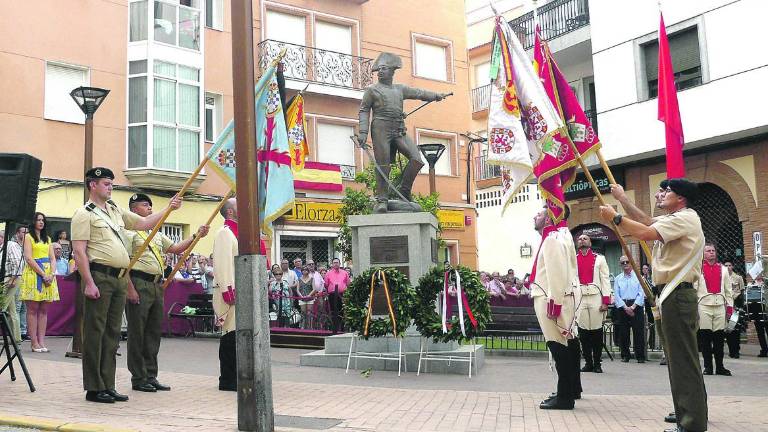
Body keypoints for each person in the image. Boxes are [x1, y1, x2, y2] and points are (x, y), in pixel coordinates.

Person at [604, 178, 707, 432]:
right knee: (676, 359)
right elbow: (648, 222)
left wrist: (615, 218)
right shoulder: (676, 218)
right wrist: (623, 199)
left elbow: (644, 233)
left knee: (683, 360)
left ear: (680, 198)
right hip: (671, 295)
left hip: (678, 295)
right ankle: (686, 412)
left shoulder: (686, 218)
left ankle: (692, 423)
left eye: (667, 191)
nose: (661, 195)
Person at [71, 167, 182, 404]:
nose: (110, 187)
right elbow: (79, 251)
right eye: (105, 183)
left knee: (112, 335)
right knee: (95, 333)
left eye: (111, 183)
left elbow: (143, 223)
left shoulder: (114, 210)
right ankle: (94, 387)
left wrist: (168, 209)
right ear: (92, 185)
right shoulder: (84, 214)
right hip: (100, 276)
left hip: (119, 278)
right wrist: (88, 282)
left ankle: (107, 384)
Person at [124, 193, 208, 393]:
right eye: (146, 206)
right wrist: (130, 289)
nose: (150, 209)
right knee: (138, 333)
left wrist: (196, 235)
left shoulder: (155, 234)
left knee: (153, 332)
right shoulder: (130, 233)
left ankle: (151, 375)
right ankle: (138, 376)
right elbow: (124, 262)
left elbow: (176, 248)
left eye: (151, 206)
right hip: (138, 281)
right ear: (134, 210)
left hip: (156, 285)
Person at [357, 52, 449, 213]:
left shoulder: (400, 89)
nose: (380, 72)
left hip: (399, 129)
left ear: (392, 71)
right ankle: (382, 201)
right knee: (383, 165)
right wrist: (363, 132)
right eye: (379, 69)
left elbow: (418, 93)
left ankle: (404, 189)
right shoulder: (372, 90)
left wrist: (435, 95)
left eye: (383, 69)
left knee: (417, 159)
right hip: (380, 128)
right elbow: (364, 110)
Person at [530, 204, 580, 410]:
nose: (535, 216)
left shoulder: (552, 240)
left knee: (558, 348)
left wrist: (555, 303)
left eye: (540, 214)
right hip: (556, 296)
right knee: (564, 347)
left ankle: (565, 396)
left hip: (548, 297)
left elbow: (557, 275)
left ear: (549, 218)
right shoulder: (562, 235)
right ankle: (567, 391)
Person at [19, 212, 59, 353]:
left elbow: (53, 259)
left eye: (43, 220)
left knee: (44, 310)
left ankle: (42, 341)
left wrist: (51, 274)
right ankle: (34, 342)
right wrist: (43, 274)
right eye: (38, 220)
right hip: (34, 273)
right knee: (32, 309)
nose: (41, 222)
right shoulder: (28, 237)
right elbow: (29, 258)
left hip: (48, 274)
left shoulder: (48, 239)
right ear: (33, 222)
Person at [574, 234, 612, 373]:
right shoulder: (573, 260)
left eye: (585, 238)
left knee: (596, 331)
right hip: (580, 298)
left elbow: (605, 280)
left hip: (596, 297)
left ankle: (597, 363)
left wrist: (606, 301)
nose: (582, 240)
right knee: (583, 332)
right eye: (579, 238)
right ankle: (588, 363)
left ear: (590, 242)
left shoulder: (600, 259)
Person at [212, 197, 238, 391]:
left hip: (239, 290)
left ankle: (235, 374)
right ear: (230, 211)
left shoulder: (237, 233)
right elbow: (223, 264)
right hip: (229, 291)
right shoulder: (225, 233)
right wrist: (227, 291)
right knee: (229, 334)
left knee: (237, 335)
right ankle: (227, 378)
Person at [695, 243, 733, 376]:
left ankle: (720, 367)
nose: (711, 253)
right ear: (703, 254)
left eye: (713, 250)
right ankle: (708, 367)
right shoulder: (698, 269)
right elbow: (694, 290)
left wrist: (730, 308)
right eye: (708, 251)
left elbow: (729, 291)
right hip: (704, 306)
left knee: (719, 339)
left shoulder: (723, 269)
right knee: (705, 338)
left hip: (720, 306)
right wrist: (694, 309)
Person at [613, 255, 646, 363]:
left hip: (636, 306)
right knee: (623, 332)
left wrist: (633, 307)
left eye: (627, 262)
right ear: (620, 265)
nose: (625, 264)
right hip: (623, 306)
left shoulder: (639, 277)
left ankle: (640, 356)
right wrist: (625, 307)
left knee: (639, 332)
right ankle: (625, 355)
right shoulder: (618, 278)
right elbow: (616, 295)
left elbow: (641, 293)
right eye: (623, 262)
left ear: (632, 263)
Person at [1, 225, 27, 341]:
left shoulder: (10, 245)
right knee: (12, 310)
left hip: (10, 279)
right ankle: (16, 338)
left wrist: (13, 279)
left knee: (2, 307)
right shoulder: (2, 247)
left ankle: (15, 338)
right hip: (5, 280)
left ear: (2, 237)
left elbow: (18, 263)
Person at [724, 261, 744, 358]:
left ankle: (736, 350)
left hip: (736, 306)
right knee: (728, 329)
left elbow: (742, 292)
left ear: (733, 266)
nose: (728, 267)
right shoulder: (721, 277)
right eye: (726, 265)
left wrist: (741, 307)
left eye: (730, 265)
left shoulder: (738, 278)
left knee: (736, 329)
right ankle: (731, 350)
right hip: (725, 306)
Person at [324, 257, 350, 334]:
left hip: (342, 295)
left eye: (337, 262)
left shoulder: (344, 273)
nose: (336, 264)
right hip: (332, 295)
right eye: (334, 262)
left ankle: (341, 328)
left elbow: (348, 284)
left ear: (340, 264)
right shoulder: (328, 273)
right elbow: (326, 284)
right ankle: (334, 328)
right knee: (333, 312)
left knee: (342, 311)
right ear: (332, 264)